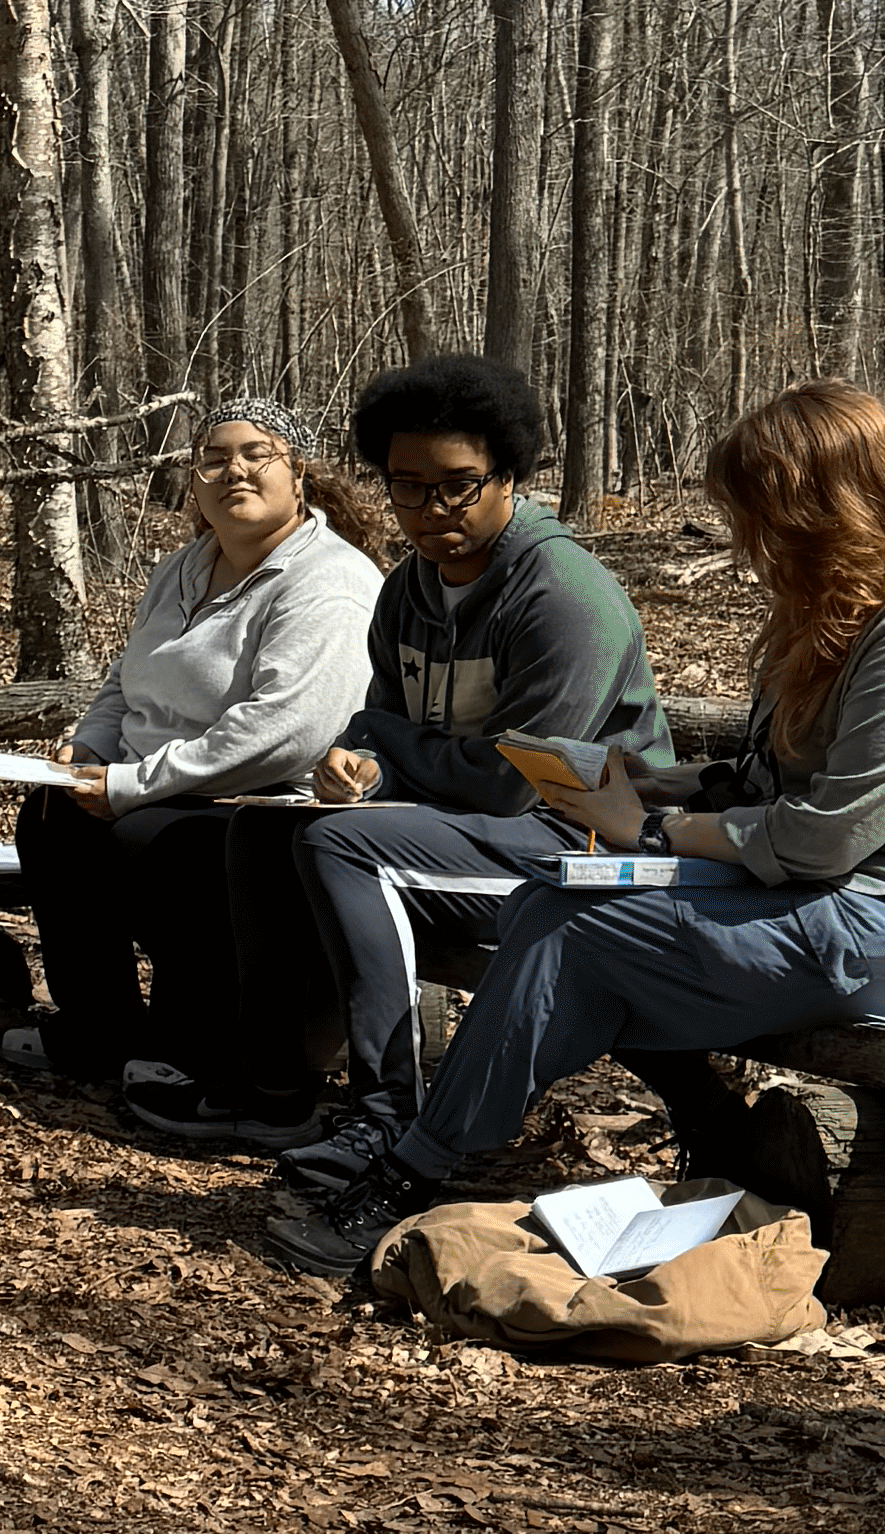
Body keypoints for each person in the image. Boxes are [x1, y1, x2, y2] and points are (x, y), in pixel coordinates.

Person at [266, 378, 885, 1279]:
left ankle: (413, 1172)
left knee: (596, 925)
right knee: (560, 898)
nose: (752, 549)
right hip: (843, 901)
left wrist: (650, 832)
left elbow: (825, 835)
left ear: (838, 504)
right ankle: (680, 1138)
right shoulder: (837, 608)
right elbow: (766, 778)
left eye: (769, 520)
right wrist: (643, 782)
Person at [224, 349, 659, 1155]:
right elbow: (384, 728)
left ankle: (390, 1114)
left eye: (457, 483)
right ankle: (271, 1093)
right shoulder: (409, 589)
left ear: (507, 476)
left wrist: (384, 741)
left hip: (586, 848)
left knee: (345, 847)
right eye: (407, 486)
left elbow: (508, 786)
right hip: (465, 836)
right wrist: (360, 764)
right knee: (261, 834)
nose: (431, 508)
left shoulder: (564, 596)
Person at [0, 399, 385, 1132]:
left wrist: (130, 787)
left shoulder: (329, 581)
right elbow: (125, 680)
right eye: (214, 458)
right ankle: (100, 1029)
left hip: (261, 802)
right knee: (50, 820)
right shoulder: (184, 567)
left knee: (157, 846)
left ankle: (195, 1047)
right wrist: (91, 748)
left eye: (255, 454)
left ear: (298, 471)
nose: (233, 469)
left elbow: (286, 731)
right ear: (195, 484)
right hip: (153, 783)